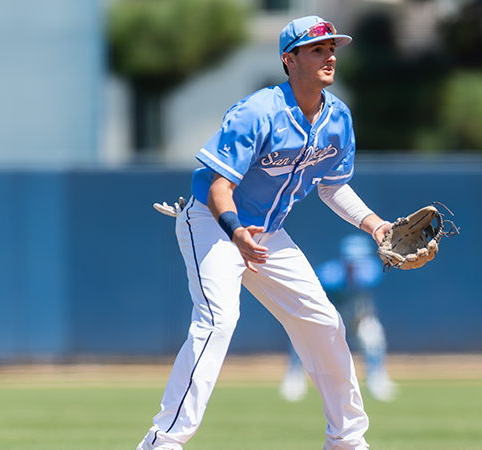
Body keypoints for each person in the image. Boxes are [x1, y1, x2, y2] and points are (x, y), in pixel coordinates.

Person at [137, 15, 394, 450]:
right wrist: (236, 232)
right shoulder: (258, 112)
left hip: (268, 234)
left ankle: (348, 441)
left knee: (324, 323)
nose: (330, 55)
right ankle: (162, 441)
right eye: (317, 49)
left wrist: (375, 224)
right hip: (214, 223)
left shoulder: (338, 118)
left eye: (332, 48)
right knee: (219, 320)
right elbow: (219, 185)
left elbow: (332, 186)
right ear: (288, 60)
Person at [280, 234, 397, 402]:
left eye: (357, 261)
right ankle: (293, 379)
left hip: (358, 317)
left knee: (373, 337)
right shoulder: (329, 274)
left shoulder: (371, 270)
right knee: (303, 338)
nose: (353, 265)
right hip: (329, 317)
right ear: (343, 258)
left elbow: (364, 288)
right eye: (350, 260)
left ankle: (377, 380)